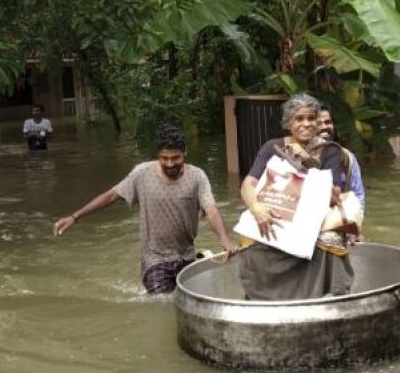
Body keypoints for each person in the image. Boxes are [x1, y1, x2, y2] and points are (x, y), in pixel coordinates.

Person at [53, 125, 236, 293]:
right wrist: (75, 217)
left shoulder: (197, 177)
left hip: (186, 257)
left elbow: (211, 210)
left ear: (184, 153)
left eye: (175, 158)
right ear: (158, 155)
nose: (170, 164)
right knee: (160, 303)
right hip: (154, 260)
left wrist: (224, 239)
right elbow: (111, 196)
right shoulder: (142, 173)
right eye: (164, 158)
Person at [238, 93, 353, 300]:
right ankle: (259, 297)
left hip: (313, 216)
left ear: (318, 122)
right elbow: (248, 184)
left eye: (311, 118)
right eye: (299, 119)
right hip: (279, 210)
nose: (306, 124)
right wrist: (257, 208)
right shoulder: (272, 147)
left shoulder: (329, 150)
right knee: (250, 239)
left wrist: (307, 164)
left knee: (331, 239)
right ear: (288, 123)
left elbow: (334, 196)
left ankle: (330, 295)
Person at [316, 106, 365, 210]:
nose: (324, 127)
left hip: (337, 219)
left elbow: (358, 197)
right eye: (318, 123)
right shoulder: (300, 156)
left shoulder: (347, 157)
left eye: (328, 122)